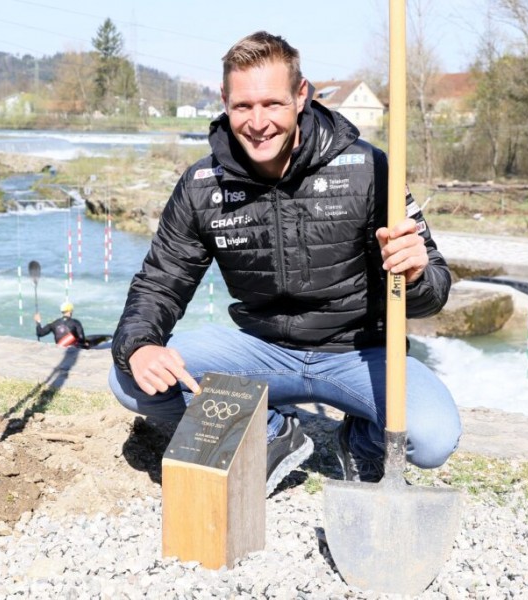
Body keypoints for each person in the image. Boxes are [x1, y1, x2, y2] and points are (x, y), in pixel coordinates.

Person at [109, 31, 461, 497]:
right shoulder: (202, 186)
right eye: (243, 106)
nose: (258, 123)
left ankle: (361, 443)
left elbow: (434, 291)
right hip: (260, 351)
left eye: (272, 104)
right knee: (130, 378)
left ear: (301, 96)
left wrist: (415, 276)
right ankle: (272, 431)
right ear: (224, 102)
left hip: (358, 353)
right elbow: (160, 283)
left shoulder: (370, 170)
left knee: (433, 437)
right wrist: (140, 344)